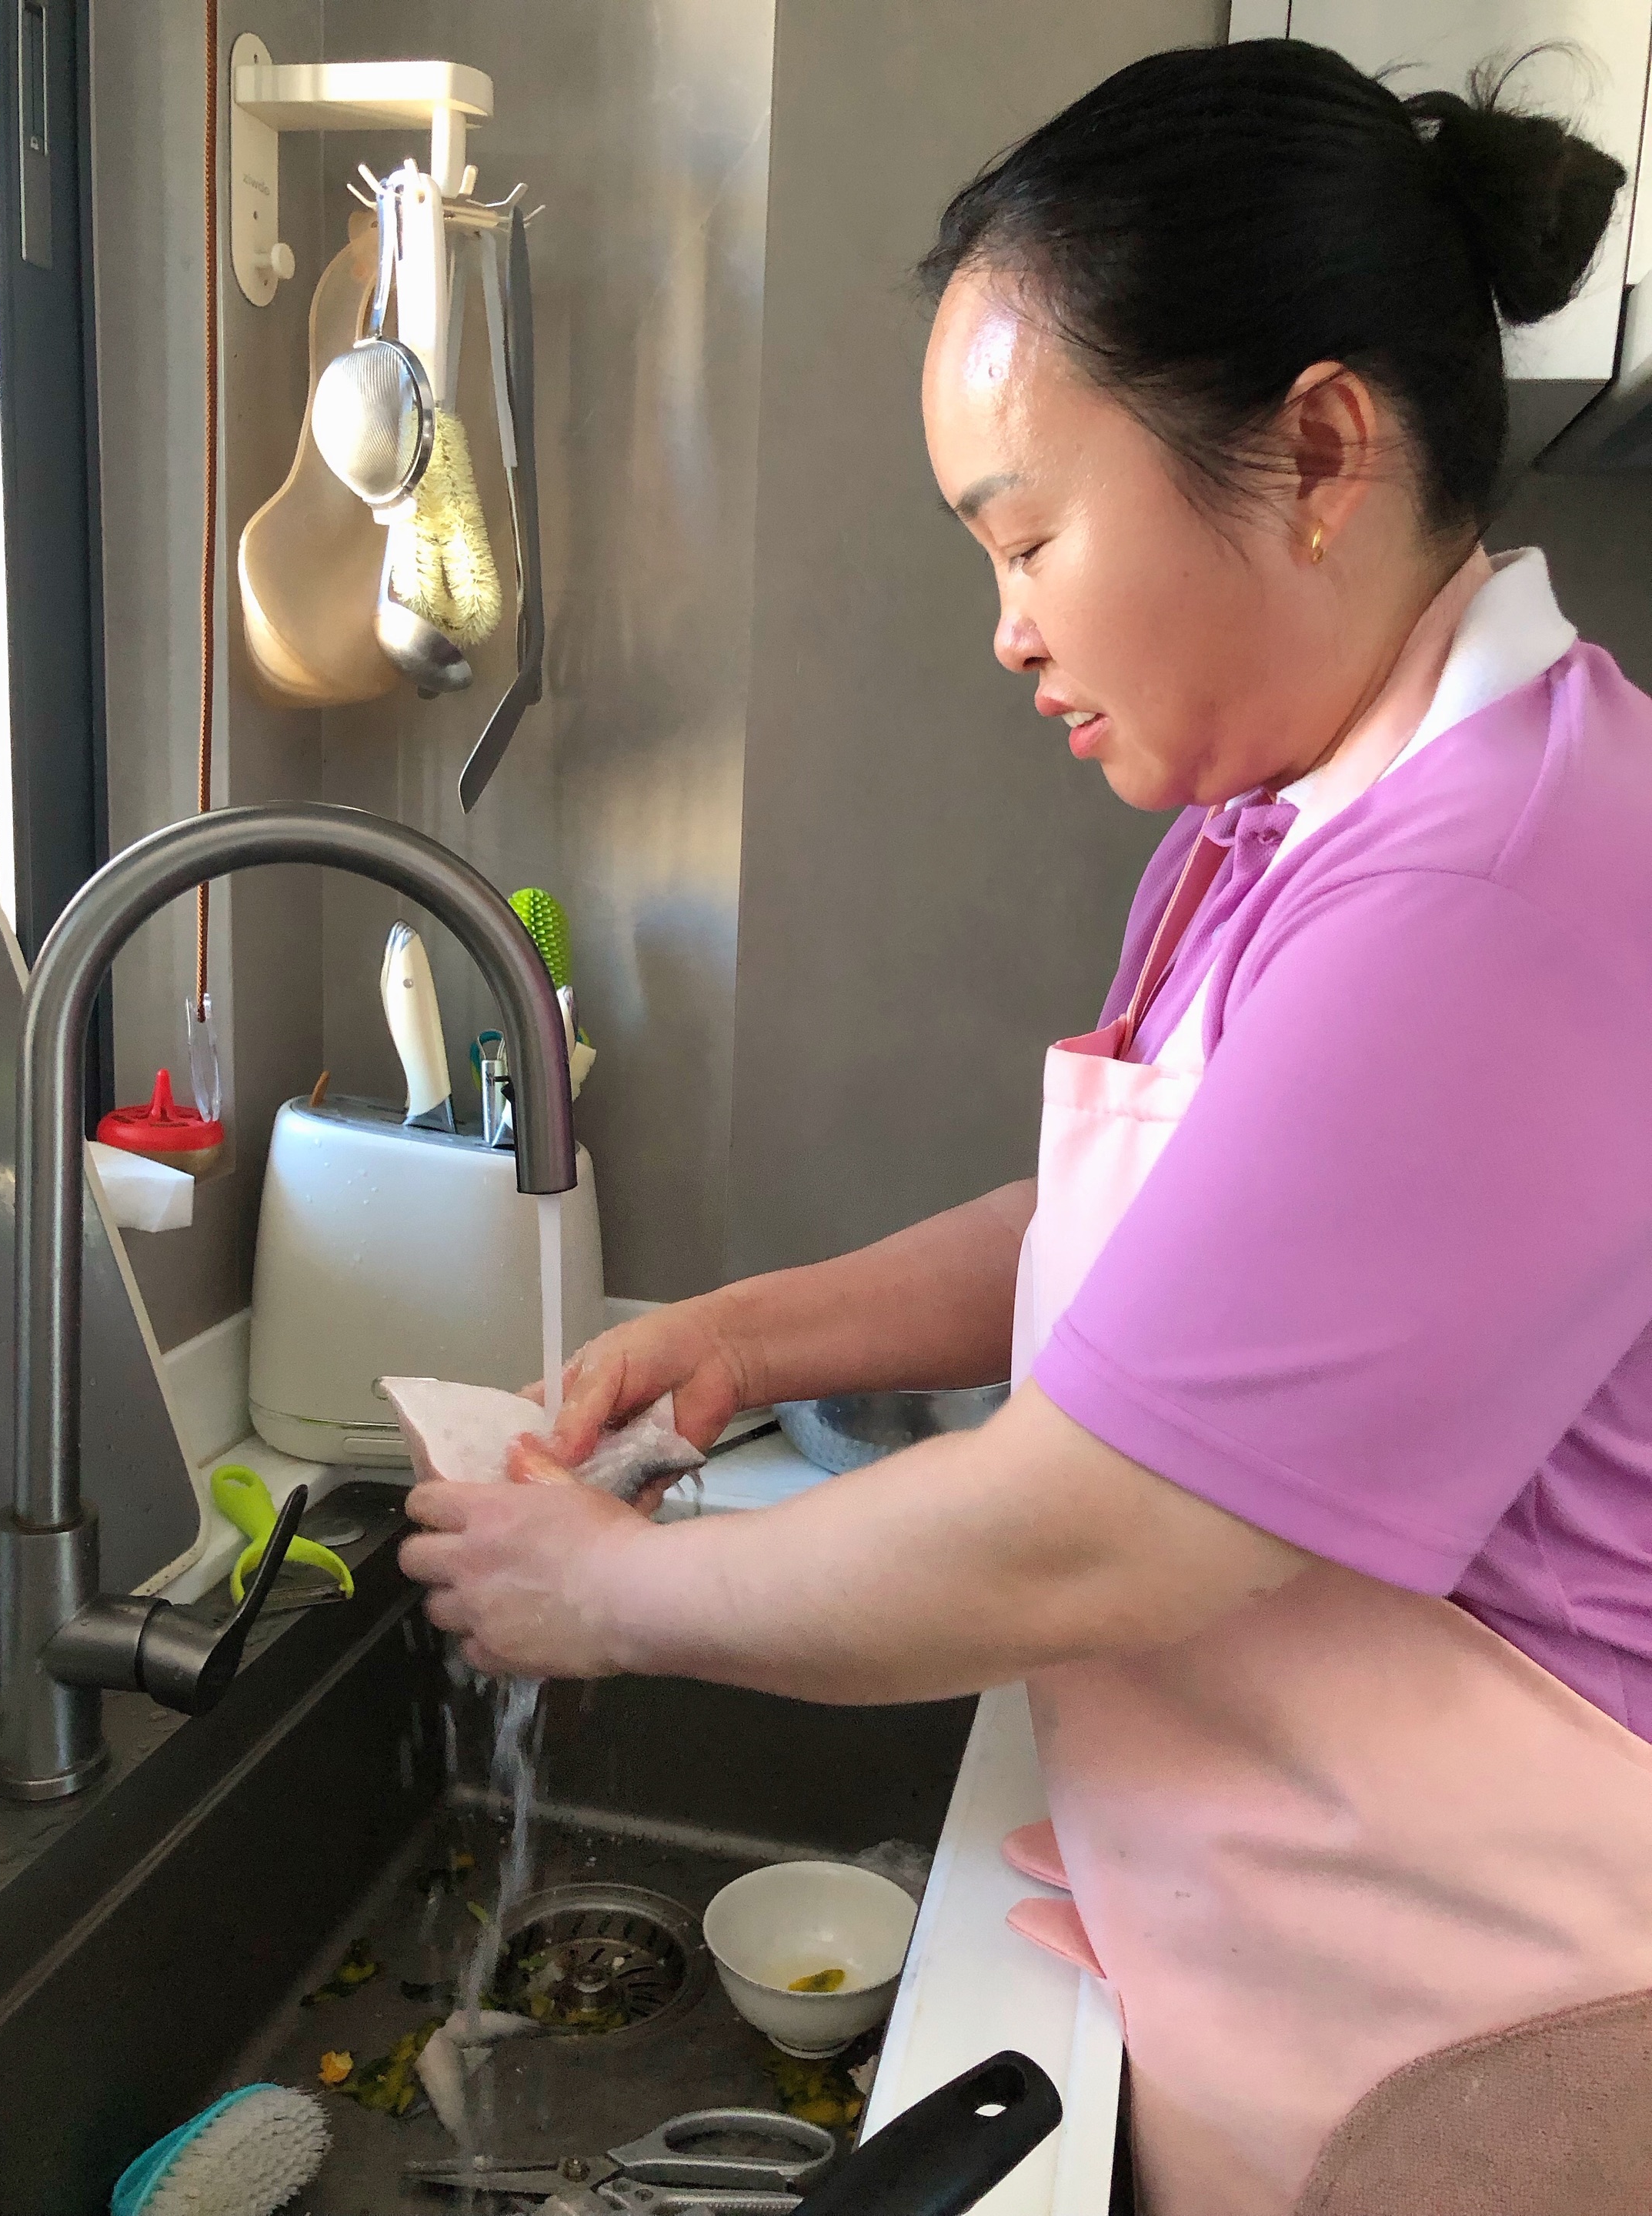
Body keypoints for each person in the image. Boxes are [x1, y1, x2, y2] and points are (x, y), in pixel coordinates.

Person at [401, 40, 1652, 2214]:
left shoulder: (1490, 886)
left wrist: (614, 1596)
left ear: (1319, 450)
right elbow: (1167, 1258)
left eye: (1030, 534)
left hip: (1483, 2057)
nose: (1007, 628)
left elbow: (1104, 1524)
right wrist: (757, 1333)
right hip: (1319, 1965)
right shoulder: (1311, 824)